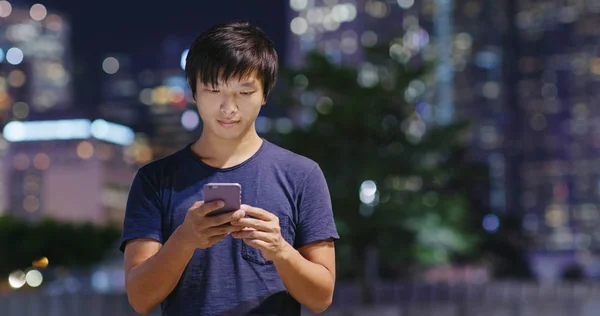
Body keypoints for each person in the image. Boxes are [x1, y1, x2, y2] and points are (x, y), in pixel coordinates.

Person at [119, 20, 339, 316]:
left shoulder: (302, 175)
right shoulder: (155, 180)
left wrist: (280, 250)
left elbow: (321, 297)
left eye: (244, 92)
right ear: (194, 92)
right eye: (213, 90)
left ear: (265, 93)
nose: (228, 108)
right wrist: (185, 239)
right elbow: (140, 298)